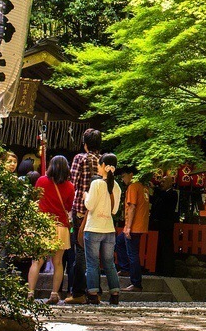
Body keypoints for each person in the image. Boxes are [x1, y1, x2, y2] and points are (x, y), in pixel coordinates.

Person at [28, 155, 74, 304]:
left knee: (37, 261)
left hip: (43, 225)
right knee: (58, 262)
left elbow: (35, 199)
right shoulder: (69, 186)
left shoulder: (41, 181)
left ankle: (30, 292)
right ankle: (54, 293)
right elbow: (68, 207)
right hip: (60, 226)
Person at [64, 128, 102, 304]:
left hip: (80, 208)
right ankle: (95, 292)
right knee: (95, 251)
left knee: (80, 250)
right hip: (99, 211)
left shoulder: (81, 158)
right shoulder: (103, 160)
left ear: (85, 144)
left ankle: (78, 292)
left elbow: (72, 183)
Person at [84, 152, 122, 305]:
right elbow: (114, 211)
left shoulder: (96, 184)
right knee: (109, 263)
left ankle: (93, 294)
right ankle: (115, 293)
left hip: (93, 228)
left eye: (99, 165)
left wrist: (85, 196)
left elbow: (89, 205)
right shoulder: (117, 186)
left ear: (104, 167)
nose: (98, 168)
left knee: (92, 262)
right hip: (109, 229)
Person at [122, 168, 151, 292]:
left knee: (132, 254)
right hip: (140, 224)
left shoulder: (133, 187)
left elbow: (132, 206)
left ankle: (136, 283)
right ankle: (125, 269)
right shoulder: (143, 187)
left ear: (131, 175)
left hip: (133, 226)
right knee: (120, 242)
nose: (123, 179)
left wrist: (128, 226)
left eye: (124, 176)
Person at [149, 173, 178, 276]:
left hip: (166, 225)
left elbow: (165, 198)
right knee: (158, 247)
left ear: (170, 183)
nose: (161, 183)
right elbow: (154, 200)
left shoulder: (173, 194)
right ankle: (159, 269)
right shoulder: (161, 193)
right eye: (161, 181)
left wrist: (155, 188)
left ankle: (168, 270)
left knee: (166, 247)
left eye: (164, 181)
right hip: (157, 224)